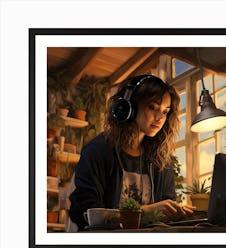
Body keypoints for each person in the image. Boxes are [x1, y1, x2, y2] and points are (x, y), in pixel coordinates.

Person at [69, 74, 196, 230]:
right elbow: (83, 212)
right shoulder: (97, 151)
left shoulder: (162, 160)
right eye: (152, 107)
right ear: (126, 107)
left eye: (165, 112)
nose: (159, 117)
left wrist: (176, 212)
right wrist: (146, 212)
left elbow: (165, 212)